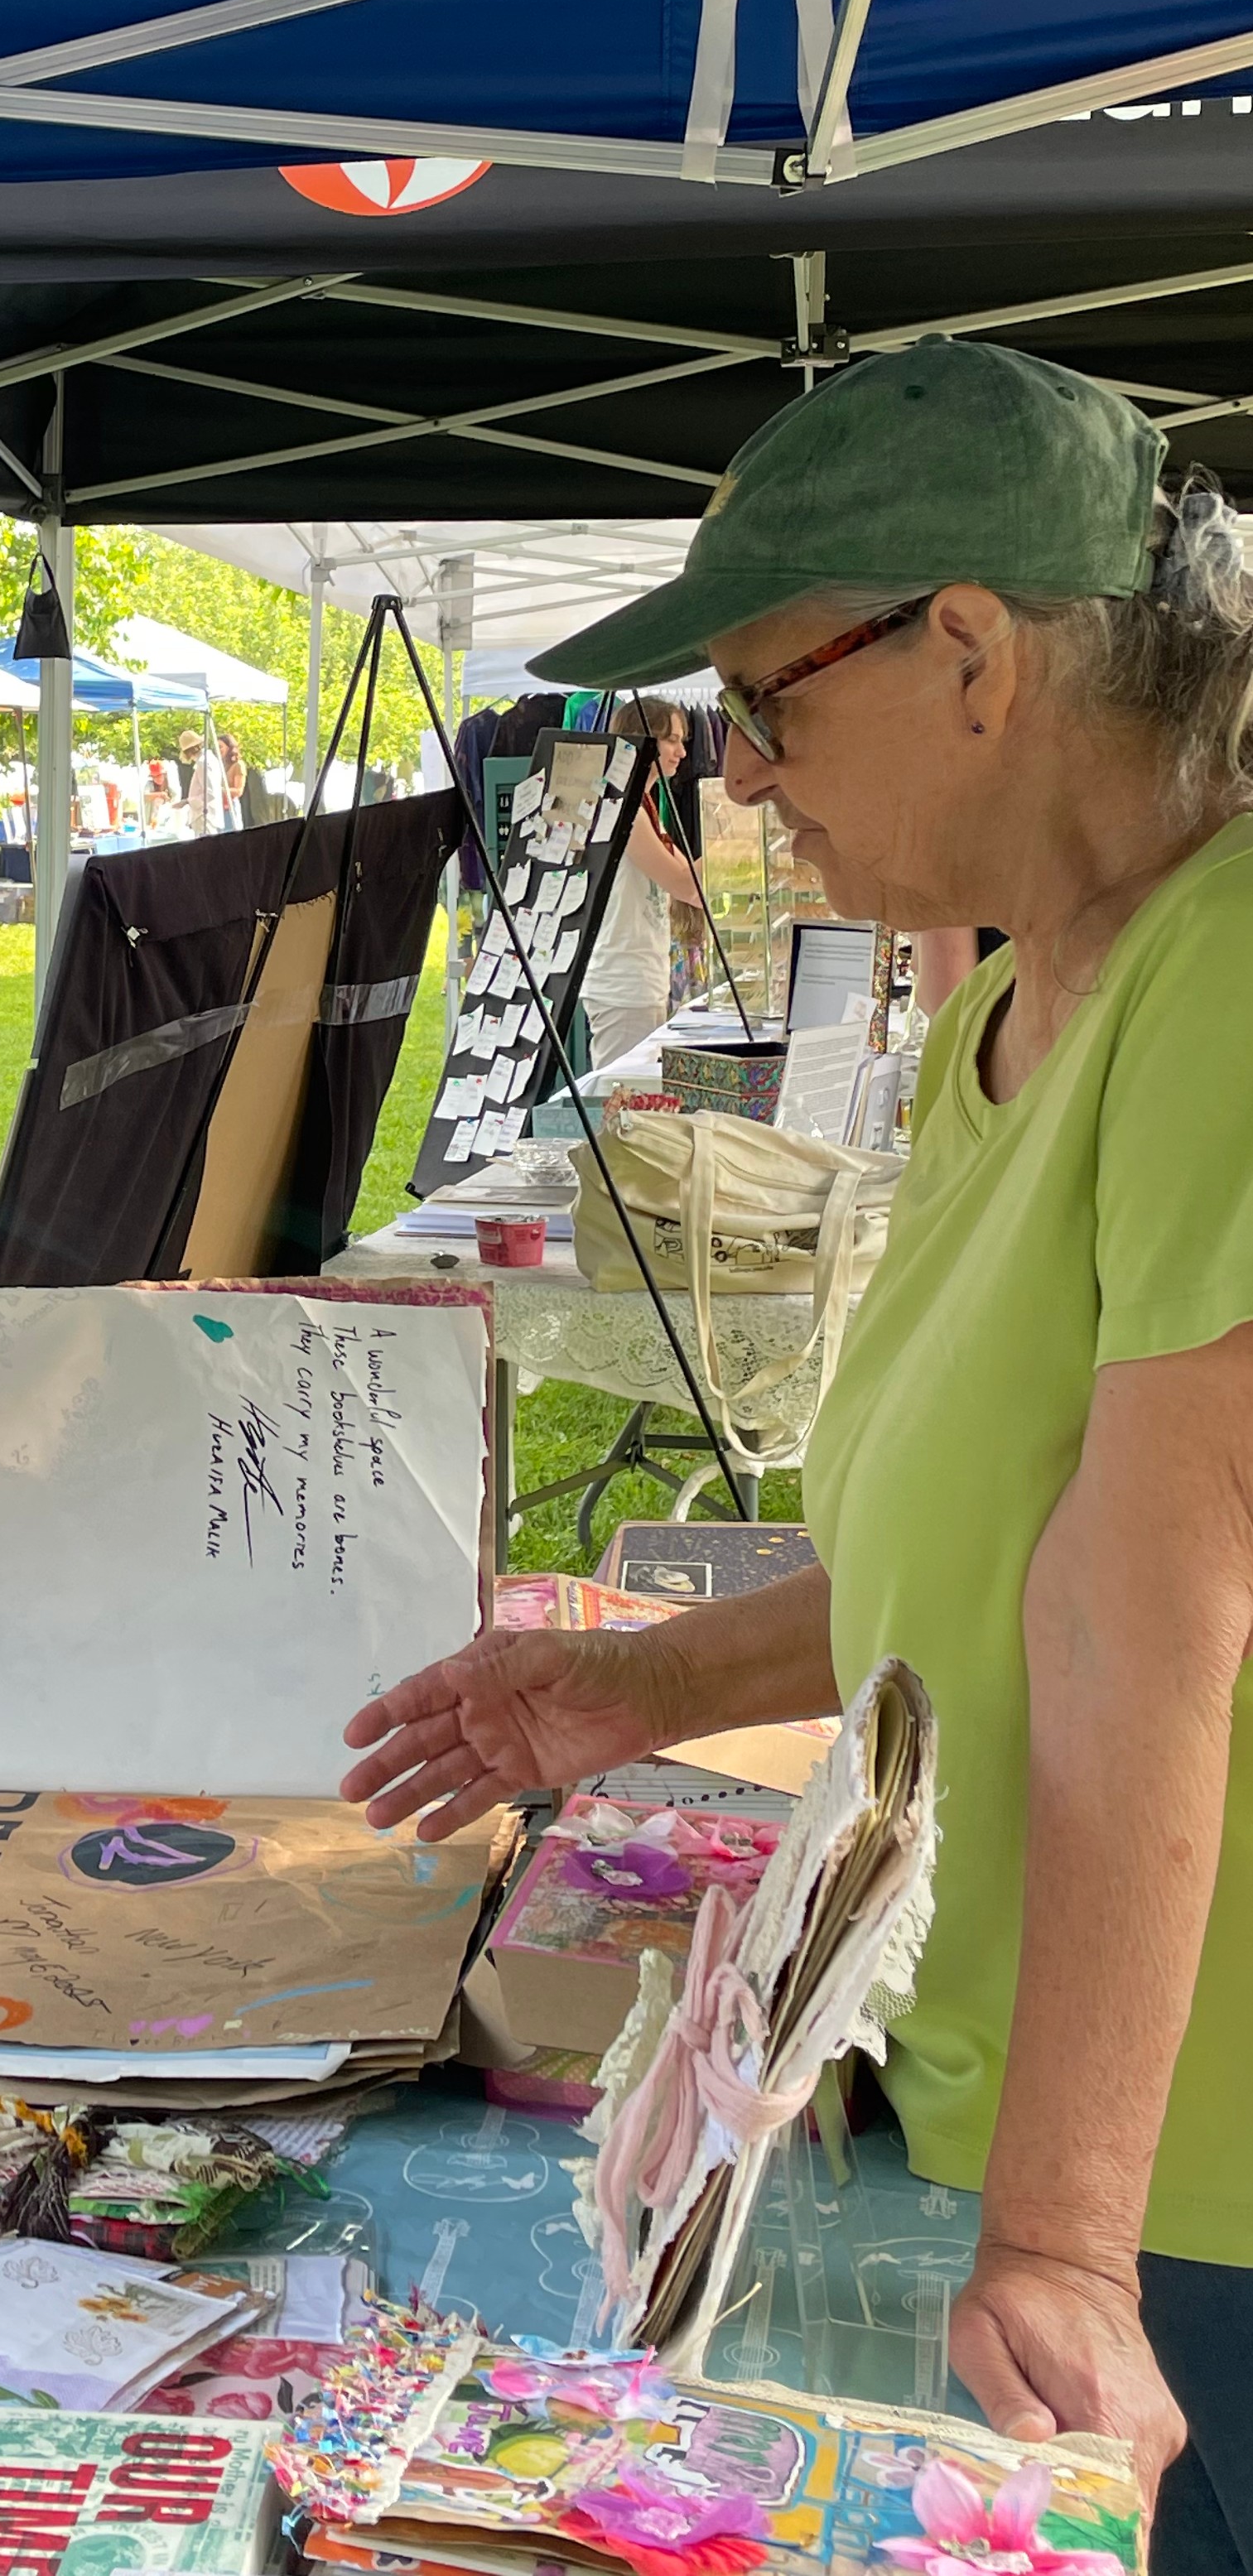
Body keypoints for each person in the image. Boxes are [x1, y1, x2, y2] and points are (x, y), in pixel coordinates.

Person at [339, 339, 1252, 2556]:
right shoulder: (1029, 992)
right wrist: (637, 1683)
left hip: (1186, 2190)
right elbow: (971, 1543)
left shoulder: (1225, 970)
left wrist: (1060, 2243)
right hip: (1018, 2114)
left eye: (767, 701)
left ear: (969, 649)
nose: (736, 779)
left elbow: (1152, 1597)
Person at [579, 695, 698, 1068]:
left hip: (639, 979)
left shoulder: (644, 805)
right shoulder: (622, 808)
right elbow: (686, 884)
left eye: (682, 740)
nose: (680, 752)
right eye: (671, 740)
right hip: (623, 983)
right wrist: (732, 840)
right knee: (622, 1105)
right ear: (643, 742)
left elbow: (690, 882)